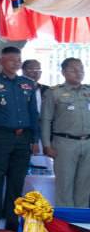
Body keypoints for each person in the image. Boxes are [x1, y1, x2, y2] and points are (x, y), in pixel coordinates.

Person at [0, 46, 41, 231]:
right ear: (1, 61)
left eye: (19, 60)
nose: (16, 63)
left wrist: (35, 139)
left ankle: (12, 219)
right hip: (0, 136)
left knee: (17, 179)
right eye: (12, 60)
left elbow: (34, 113)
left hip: (24, 137)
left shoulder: (28, 84)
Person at [43, 57, 90, 208]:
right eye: (73, 70)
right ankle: (66, 221)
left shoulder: (88, 91)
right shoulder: (54, 93)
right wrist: (46, 145)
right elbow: (45, 120)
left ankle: (81, 221)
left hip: (87, 143)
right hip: (64, 143)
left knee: (85, 185)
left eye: (81, 69)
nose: (78, 72)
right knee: (65, 184)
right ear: (63, 72)